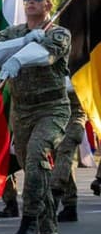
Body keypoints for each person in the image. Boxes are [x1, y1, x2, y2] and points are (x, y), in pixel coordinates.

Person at [0, 0, 72, 234]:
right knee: (35, 170)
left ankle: (29, 220)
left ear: (48, 4)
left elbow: (47, 56)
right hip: (22, 111)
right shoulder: (13, 32)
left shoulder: (58, 33)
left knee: (35, 158)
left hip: (52, 108)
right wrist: (20, 42)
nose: (31, 0)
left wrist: (21, 57)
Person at [50, 82, 86, 223]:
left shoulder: (83, 61)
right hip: (57, 112)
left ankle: (54, 193)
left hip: (76, 113)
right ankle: (70, 205)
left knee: (64, 151)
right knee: (61, 156)